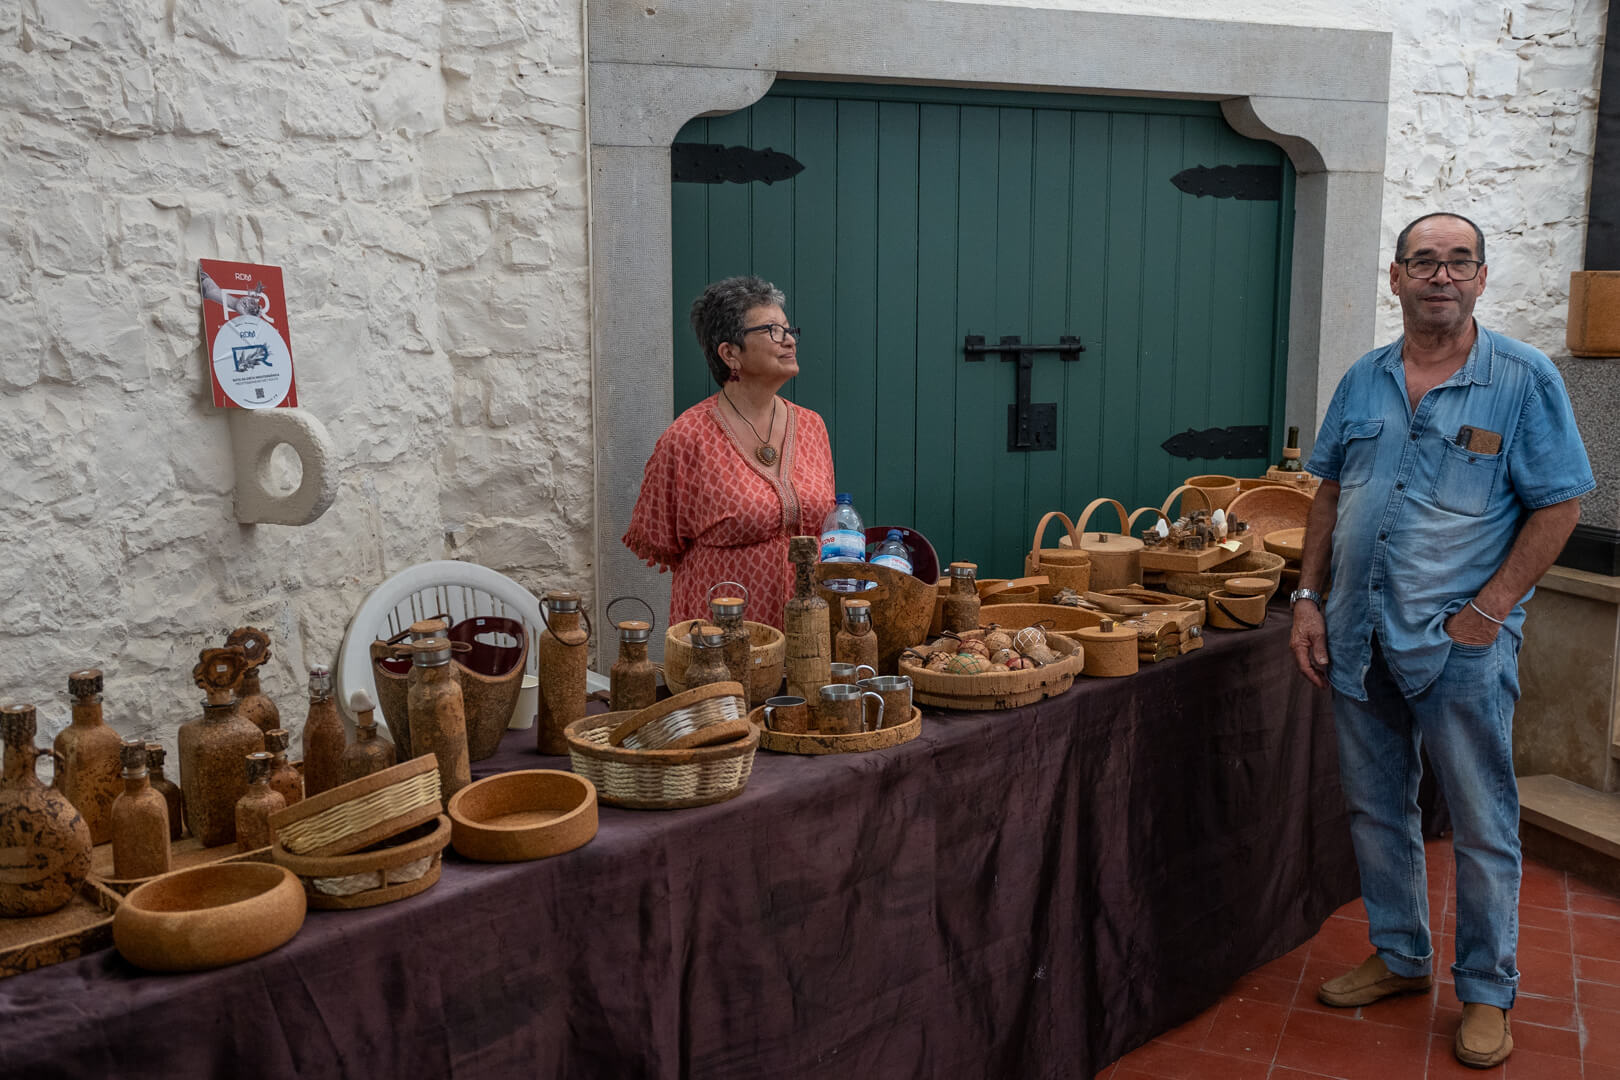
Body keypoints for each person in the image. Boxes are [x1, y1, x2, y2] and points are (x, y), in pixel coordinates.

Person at [1289, 212, 1593, 1069]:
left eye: (1460, 261)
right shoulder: (1364, 378)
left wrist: (1489, 611)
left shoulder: (1524, 380)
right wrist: (1309, 599)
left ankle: (1488, 991)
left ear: (1483, 279)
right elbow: (1327, 492)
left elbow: (1561, 504)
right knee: (1377, 810)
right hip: (1357, 637)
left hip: (1461, 648)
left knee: (1483, 823)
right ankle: (1401, 954)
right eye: (1424, 261)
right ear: (1395, 278)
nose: (1441, 275)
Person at [623, 276, 837, 630]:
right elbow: (660, 540)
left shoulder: (813, 427)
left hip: (804, 633)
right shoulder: (688, 437)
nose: (788, 340)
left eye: (788, 328)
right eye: (771, 330)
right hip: (720, 635)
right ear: (730, 353)